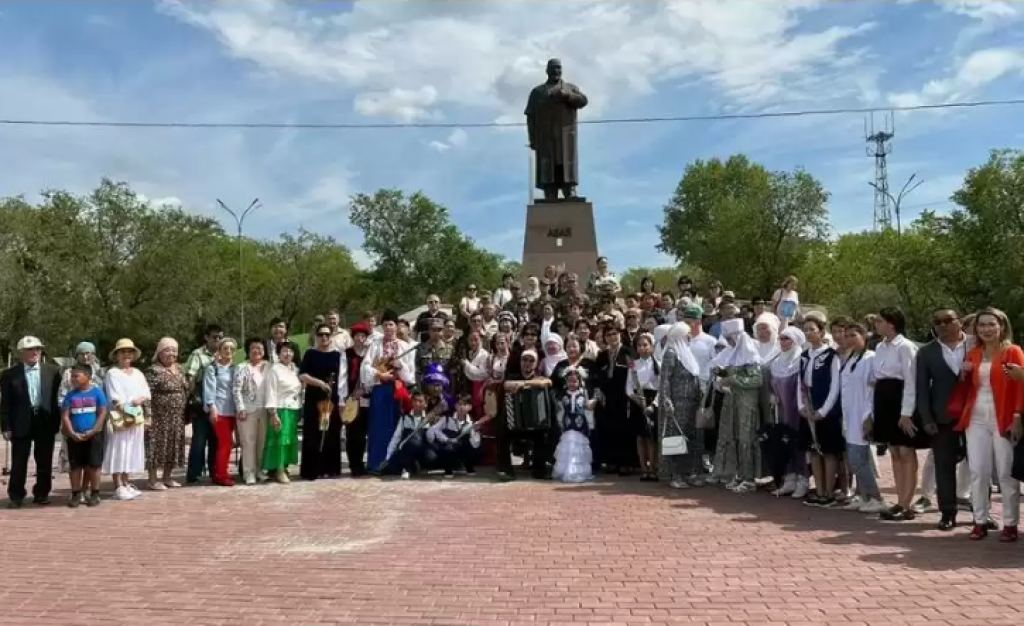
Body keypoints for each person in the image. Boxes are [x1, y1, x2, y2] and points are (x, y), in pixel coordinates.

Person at [958, 308, 1023, 542]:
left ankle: (1010, 523)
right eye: (982, 325)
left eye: (991, 324)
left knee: (1006, 473)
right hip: (975, 417)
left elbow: (1020, 386)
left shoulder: (1013, 351)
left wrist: (1017, 416)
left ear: (1002, 326)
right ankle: (980, 520)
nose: (986, 329)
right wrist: (963, 374)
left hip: (1003, 416)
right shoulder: (974, 353)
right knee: (978, 471)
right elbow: (966, 390)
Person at [915, 308, 969, 530]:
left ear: (960, 322)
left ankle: (982, 513)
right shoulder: (927, 352)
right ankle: (947, 512)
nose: (943, 325)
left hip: (975, 416)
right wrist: (926, 418)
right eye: (938, 322)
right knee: (944, 466)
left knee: (980, 466)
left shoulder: (977, 345)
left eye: (948, 320)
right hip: (942, 417)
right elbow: (921, 388)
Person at [1, 336, 61, 508]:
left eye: (37, 349)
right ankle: (16, 495)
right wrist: (5, 425)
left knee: (44, 460)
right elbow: (5, 403)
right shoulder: (9, 374)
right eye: (30, 349)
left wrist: (57, 421)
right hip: (20, 421)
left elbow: (57, 399)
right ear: (21, 353)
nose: (34, 352)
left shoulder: (53, 371)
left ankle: (41, 494)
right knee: (19, 461)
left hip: (45, 420)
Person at [361, 310, 417, 474]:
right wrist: (379, 374)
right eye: (385, 324)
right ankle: (376, 463)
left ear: (396, 325)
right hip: (380, 391)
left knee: (396, 427)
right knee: (378, 427)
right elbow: (366, 366)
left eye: (391, 324)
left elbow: (411, 375)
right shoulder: (376, 344)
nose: (388, 328)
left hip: (398, 391)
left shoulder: (405, 346)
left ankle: (394, 465)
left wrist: (400, 366)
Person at [657, 322, 705, 489]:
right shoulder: (671, 353)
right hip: (677, 404)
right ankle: (675, 475)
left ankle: (689, 472)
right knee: (677, 439)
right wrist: (667, 401)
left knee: (692, 438)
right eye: (686, 335)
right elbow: (664, 381)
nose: (689, 337)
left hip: (692, 403)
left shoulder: (686, 354)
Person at [104, 338, 151, 501]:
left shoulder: (138, 373)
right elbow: (114, 398)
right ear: (117, 354)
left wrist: (141, 406)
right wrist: (127, 408)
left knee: (131, 449)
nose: (126, 354)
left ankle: (126, 482)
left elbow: (146, 393)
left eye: (129, 352)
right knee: (119, 449)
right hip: (120, 417)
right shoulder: (112, 373)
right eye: (122, 351)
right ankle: (117, 485)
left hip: (136, 417)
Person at [298, 324, 345, 480]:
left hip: (331, 400)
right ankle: (312, 469)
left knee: (330, 433)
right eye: (320, 335)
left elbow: (342, 378)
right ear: (316, 336)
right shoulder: (310, 354)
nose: (324, 337)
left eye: (327, 334)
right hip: (314, 399)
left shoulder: (337, 355)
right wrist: (320, 383)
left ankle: (329, 468)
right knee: (313, 433)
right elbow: (302, 375)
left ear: (331, 336)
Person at [60, 364, 108, 508]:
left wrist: (93, 430)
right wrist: (72, 433)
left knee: (93, 465)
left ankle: (95, 493)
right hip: (75, 437)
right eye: (72, 376)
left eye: (77, 376)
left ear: (88, 376)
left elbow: (102, 413)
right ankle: (76, 493)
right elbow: (65, 416)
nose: (73, 379)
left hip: (93, 435)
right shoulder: (70, 395)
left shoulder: (97, 393)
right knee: (75, 466)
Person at [145, 337, 189, 491]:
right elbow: (146, 393)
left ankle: (167, 477)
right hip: (159, 416)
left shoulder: (180, 368)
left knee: (173, 444)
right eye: (167, 350)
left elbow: (186, 387)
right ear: (159, 353)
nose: (171, 353)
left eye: (174, 350)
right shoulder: (153, 370)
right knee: (156, 446)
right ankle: (152, 479)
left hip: (177, 416)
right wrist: (148, 413)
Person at [262, 343, 302, 484]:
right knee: (280, 440)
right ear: (278, 354)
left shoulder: (295, 369)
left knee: (289, 440)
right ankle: (278, 470)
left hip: (293, 409)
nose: (288, 354)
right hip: (280, 408)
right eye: (284, 351)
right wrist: (273, 413)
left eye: (290, 351)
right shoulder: (275, 370)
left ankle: (285, 466)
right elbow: (271, 391)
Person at [202, 338, 238, 487]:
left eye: (231, 348)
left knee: (227, 444)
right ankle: (221, 475)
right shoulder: (213, 368)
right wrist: (212, 408)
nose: (228, 351)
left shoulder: (236, 368)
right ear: (219, 351)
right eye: (225, 348)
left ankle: (221, 471)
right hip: (220, 410)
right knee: (225, 443)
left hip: (232, 410)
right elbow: (209, 389)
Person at [552, 366, 596, 483]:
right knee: (568, 446)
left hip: (580, 426)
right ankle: (565, 470)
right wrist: (560, 422)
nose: (572, 383)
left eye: (575, 381)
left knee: (578, 448)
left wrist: (590, 424)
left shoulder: (583, 393)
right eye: (570, 381)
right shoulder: (563, 394)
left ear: (580, 381)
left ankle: (578, 471)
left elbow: (587, 409)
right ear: (566, 381)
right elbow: (560, 410)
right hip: (567, 425)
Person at [626, 334, 660, 481]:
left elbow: (661, 388)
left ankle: (653, 468)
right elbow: (628, 386)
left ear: (651, 347)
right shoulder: (633, 364)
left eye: (645, 345)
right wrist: (634, 398)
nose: (642, 348)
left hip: (652, 400)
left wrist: (653, 405)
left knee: (651, 437)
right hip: (637, 400)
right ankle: (643, 469)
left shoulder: (658, 363)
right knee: (640, 437)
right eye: (639, 345)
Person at [427, 394, 480, 477]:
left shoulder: (472, 423)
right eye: (459, 404)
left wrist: (476, 432)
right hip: (450, 447)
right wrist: (446, 439)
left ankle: (468, 465)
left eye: (465, 404)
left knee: (474, 447)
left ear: (470, 407)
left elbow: (475, 444)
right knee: (447, 448)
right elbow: (434, 429)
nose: (462, 407)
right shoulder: (447, 419)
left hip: (463, 448)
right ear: (455, 406)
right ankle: (448, 468)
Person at [384, 388, 431, 479]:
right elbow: (396, 437)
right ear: (411, 402)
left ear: (425, 403)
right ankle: (407, 467)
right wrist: (388, 456)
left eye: (420, 401)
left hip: (422, 449)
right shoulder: (404, 418)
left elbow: (430, 439)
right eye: (415, 401)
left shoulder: (428, 419)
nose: (417, 404)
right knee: (390, 469)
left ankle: (419, 465)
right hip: (407, 450)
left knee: (431, 456)